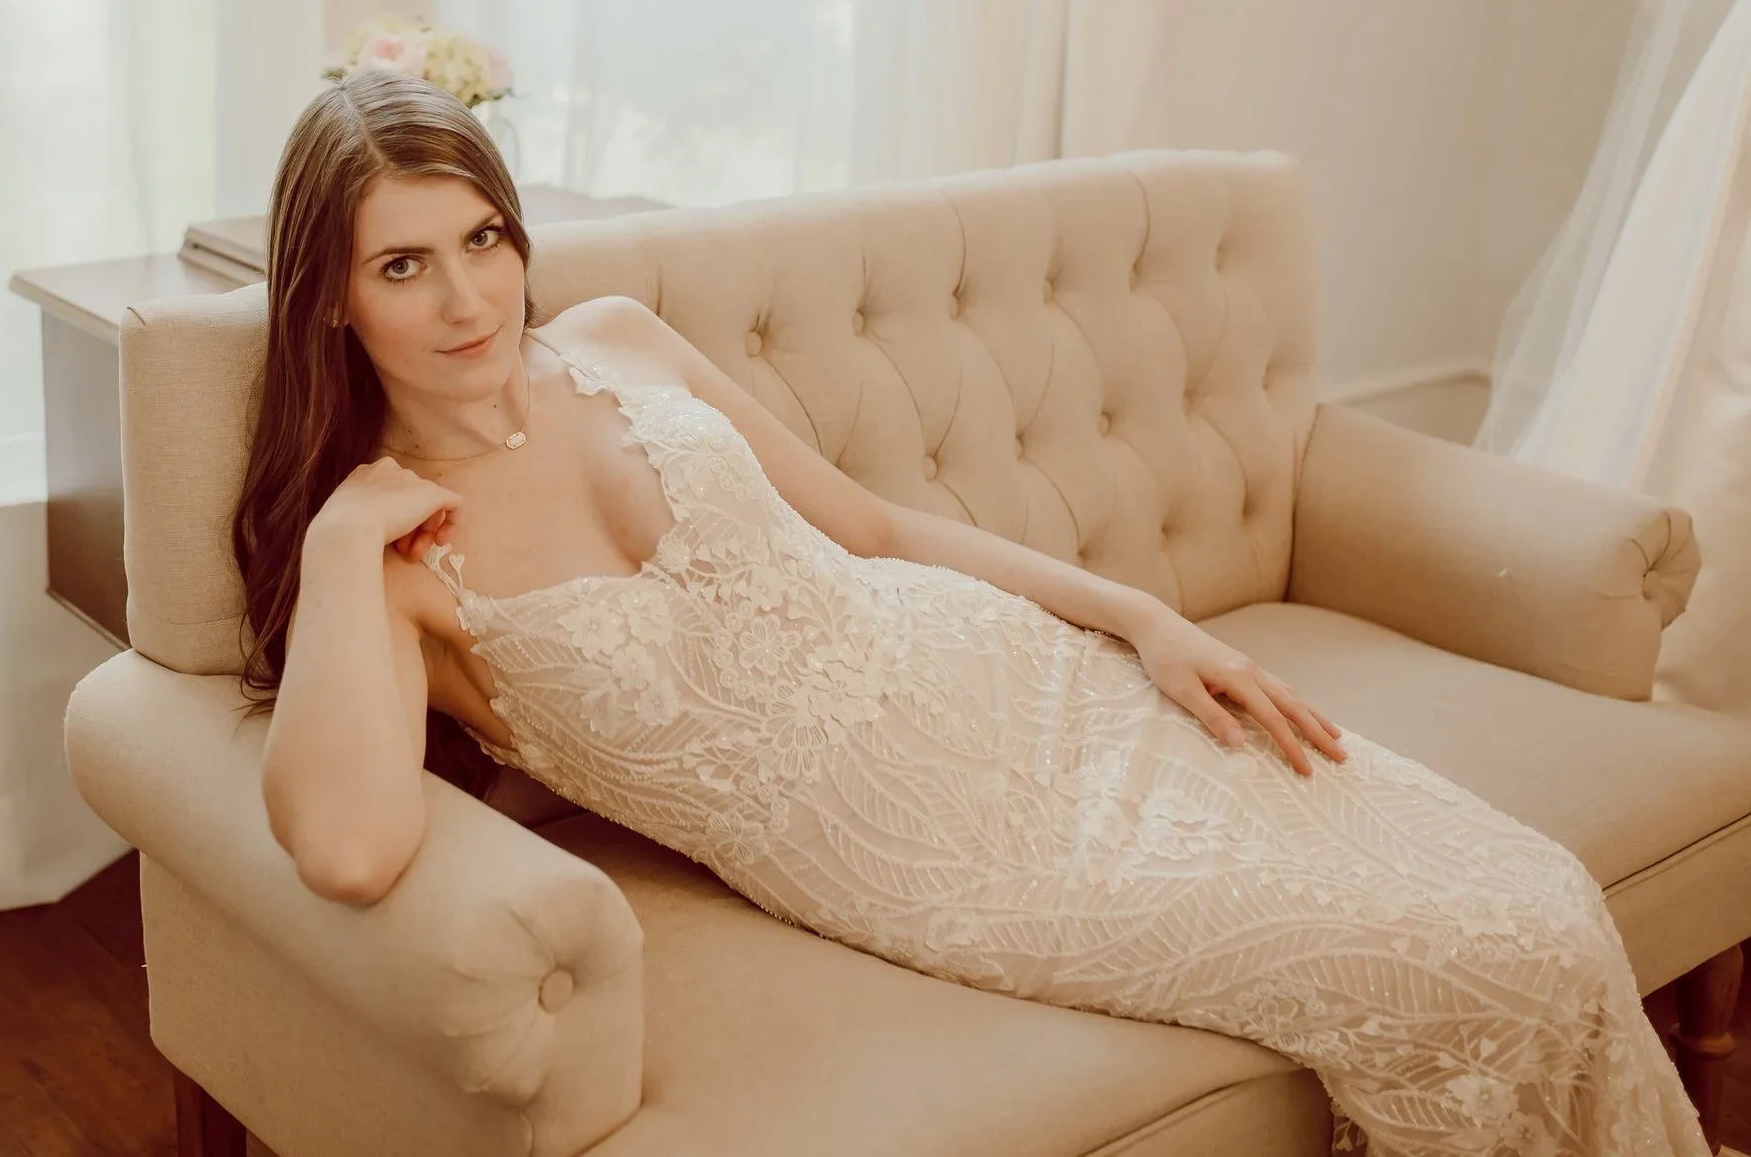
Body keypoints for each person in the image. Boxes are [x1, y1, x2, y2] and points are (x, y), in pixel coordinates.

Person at [234, 71, 1708, 1157]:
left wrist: (1142, 620)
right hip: (946, 853)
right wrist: (351, 538)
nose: (468, 296)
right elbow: (350, 844)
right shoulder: (394, 551)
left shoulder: (618, 340)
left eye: (484, 237)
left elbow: (872, 529)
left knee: (1534, 894)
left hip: (1020, 680)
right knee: (1463, 957)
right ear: (332, 301)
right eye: (403, 264)